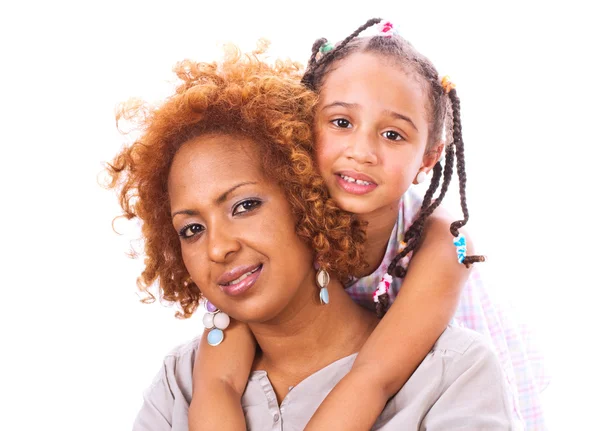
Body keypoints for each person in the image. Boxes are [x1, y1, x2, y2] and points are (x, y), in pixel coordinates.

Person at [106, 41, 518, 430]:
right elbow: (218, 375)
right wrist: (215, 389)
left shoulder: (443, 247)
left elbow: (373, 376)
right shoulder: (182, 378)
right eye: (191, 229)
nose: (360, 152)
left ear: (304, 198)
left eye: (245, 205)